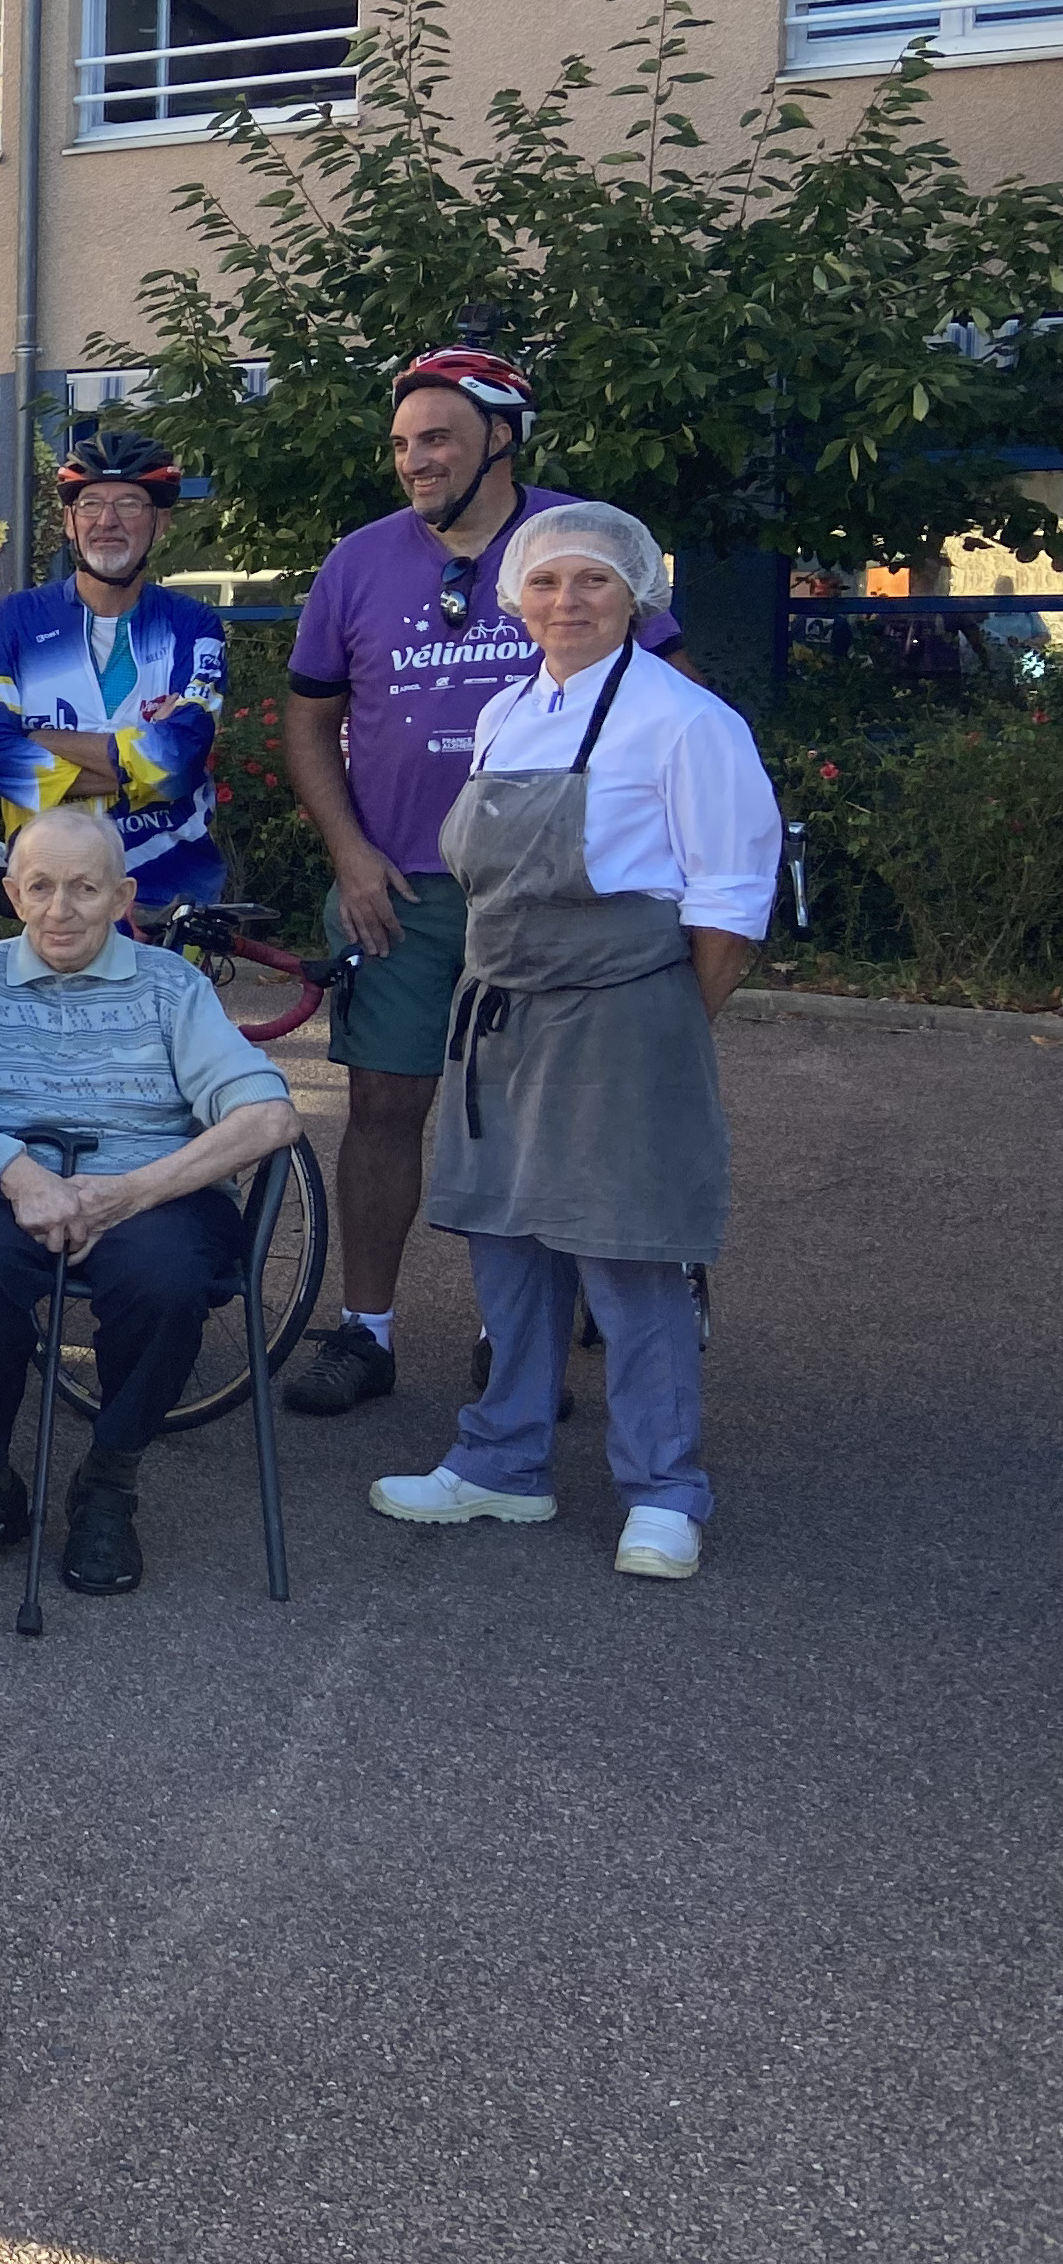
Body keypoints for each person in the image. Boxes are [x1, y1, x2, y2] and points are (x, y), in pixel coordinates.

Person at [369, 503, 777, 1584]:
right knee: (508, 1240)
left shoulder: (686, 721)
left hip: (627, 1014)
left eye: (592, 583)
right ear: (517, 600)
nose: (567, 603)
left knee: (631, 1253)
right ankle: (504, 1461)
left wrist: (668, 1027)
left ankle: (664, 1491)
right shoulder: (508, 711)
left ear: (636, 596)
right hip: (504, 1008)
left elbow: (732, 901)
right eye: (546, 585)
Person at [279, 349, 684, 1417]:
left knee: (542, 1116)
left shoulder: (578, 544)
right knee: (382, 1102)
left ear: (502, 438)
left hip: (557, 893)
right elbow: (309, 718)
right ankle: (366, 1331)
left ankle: (522, 1339)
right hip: (399, 886)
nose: (415, 460)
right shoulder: (357, 562)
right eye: (405, 443)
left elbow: (669, 697)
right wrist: (348, 852)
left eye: (439, 439)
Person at [0, 808, 303, 1596]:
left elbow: (269, 1115)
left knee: (168, 1282)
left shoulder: (173, 987)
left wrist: (126, 1194)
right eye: (40, 887)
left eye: (84, 888)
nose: (60, 909)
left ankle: (108, 1482)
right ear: (13, 894)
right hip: (12, 1190)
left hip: (150, 1192)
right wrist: (19, 1175)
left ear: (123, 896)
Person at [0, 433, 228, 909]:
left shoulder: (193, 624)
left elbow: (179, 761)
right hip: (51, 892)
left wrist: (39, 740)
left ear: (161, 522)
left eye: (129, 503)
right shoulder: (18, 619)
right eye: (89, 504)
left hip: (169, 886)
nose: (107, 521)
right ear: (68, 521)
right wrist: (139, 760)